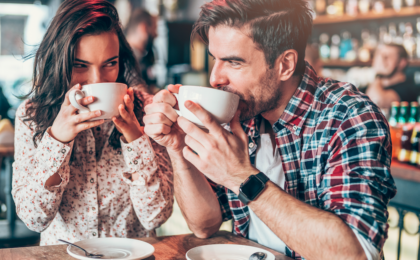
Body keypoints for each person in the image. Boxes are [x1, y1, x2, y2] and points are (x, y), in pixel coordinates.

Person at [143, 0, 396, 259]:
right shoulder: (240, 113)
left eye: (234, 62)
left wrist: (241, 177)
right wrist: (178, 147)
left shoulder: (348, 117)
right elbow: (204, 225)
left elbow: (357, 254)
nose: (215, 78)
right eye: (215, 60)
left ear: (285, 65)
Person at [12, 0, 173, 246]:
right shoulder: (32, 115)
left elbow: (155, 217)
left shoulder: (147, 111)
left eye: (110, 63)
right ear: (59, 62)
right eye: (80, 65)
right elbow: (34, 219)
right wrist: (57, 140)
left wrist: (135, 138)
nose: (97, 81)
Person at [366, 43, 420, 109]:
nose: (381, 61)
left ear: (402, 63)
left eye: (386, 57)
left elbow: (377, 102)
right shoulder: (375, 86)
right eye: (379, 56)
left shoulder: (408, 89)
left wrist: (378, 75)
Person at [125, 8, 158, 93]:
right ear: (144, 28)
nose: (156, 34)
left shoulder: (140, 58)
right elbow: (141, 94)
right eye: (155, 29)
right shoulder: (128, 58)